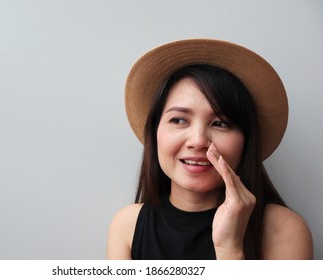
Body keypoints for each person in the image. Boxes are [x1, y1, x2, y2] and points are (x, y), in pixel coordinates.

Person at [107, 39, 313, 260]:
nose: (197, 141)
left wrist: (229, 248)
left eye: (220, 123)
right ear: (155, 132)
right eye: (178, 120)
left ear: (246, 139)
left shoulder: (283, 229)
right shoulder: (127, 226)